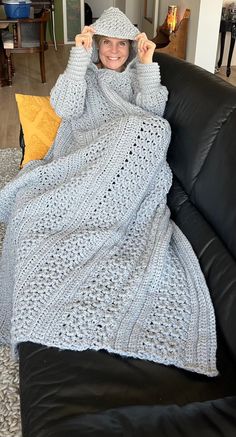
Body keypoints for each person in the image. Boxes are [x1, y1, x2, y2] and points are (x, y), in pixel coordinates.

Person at [0, 8, 217, 378]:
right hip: (85, 155)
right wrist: (78, 57)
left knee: (149, 129)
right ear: (97, 45)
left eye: (121, 44)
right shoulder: (83, 75)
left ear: (129, 48)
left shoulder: (137, 75)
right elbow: (64, 108)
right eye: (106, 44)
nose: (114, 51)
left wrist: (148, 65)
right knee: (30, 210)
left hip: (128, 161)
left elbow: (153, 115)